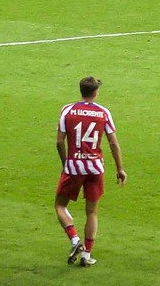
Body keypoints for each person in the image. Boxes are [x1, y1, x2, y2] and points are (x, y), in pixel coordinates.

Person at [56, 75, 125, 267]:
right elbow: (113, 142)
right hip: (95, 167)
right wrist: (120, 168)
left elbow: (59, 141)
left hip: (74, 166)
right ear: (96, 92)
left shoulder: (67, 110)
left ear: (81, 91)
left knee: (60, 205)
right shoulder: (104, 113)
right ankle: (86, 254)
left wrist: (66, 163)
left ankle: (74, 239)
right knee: (92, 212)